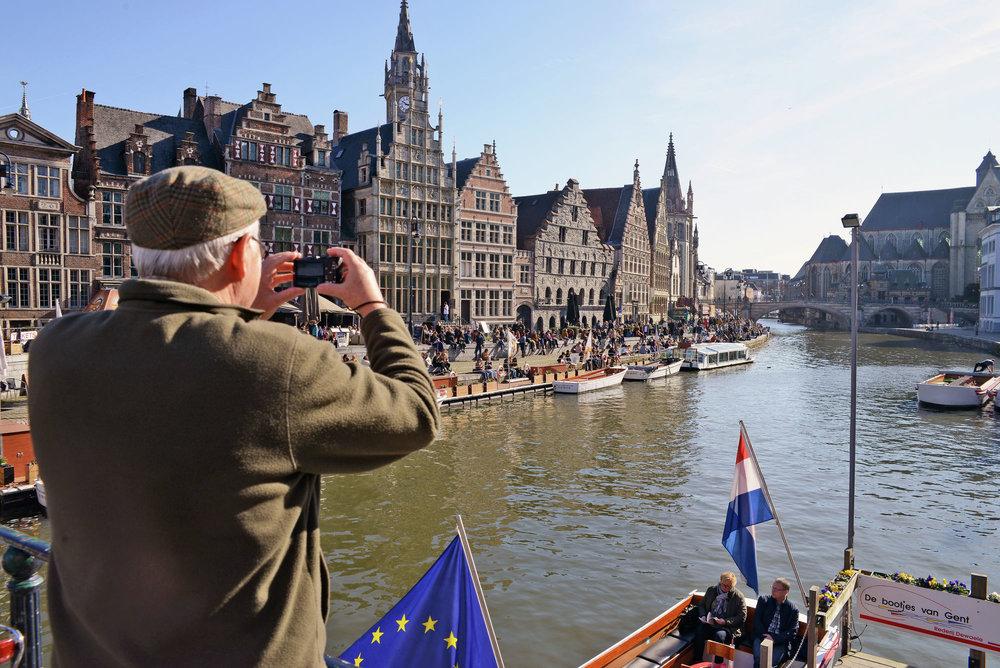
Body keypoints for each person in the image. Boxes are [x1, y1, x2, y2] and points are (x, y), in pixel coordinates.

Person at [28, 166, 440, 667]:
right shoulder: (280, 362)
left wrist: (246, 312)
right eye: (258, 248)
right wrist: (372, 305)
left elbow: (182, 369)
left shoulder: (55, 349)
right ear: (243, 257)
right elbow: (417, 413)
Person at [692, 571, 747, 664]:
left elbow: (742, 617)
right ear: (720, 581)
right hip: (710, 623)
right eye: (723, 585)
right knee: (700, 631)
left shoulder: (738, 597)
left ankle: (718, 664)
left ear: (733, 586)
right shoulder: (711, 590)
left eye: (729, 586)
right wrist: (703, 616)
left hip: (726, 627)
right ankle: (697, 660)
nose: (725, 588)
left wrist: (725, 621)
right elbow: (701, 605)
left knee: (719, 636)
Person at [752, 578, 799, 668]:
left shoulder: (793, 610)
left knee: (772, 662)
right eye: (773, 587)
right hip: (762, 636)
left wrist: (774, 638)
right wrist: (765, 636)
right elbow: (757, 621)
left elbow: (792, 632)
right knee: (759, 658)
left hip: (779, 642)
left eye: (777, 589)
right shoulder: (763, 601)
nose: (773, 590)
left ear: (786, 592)